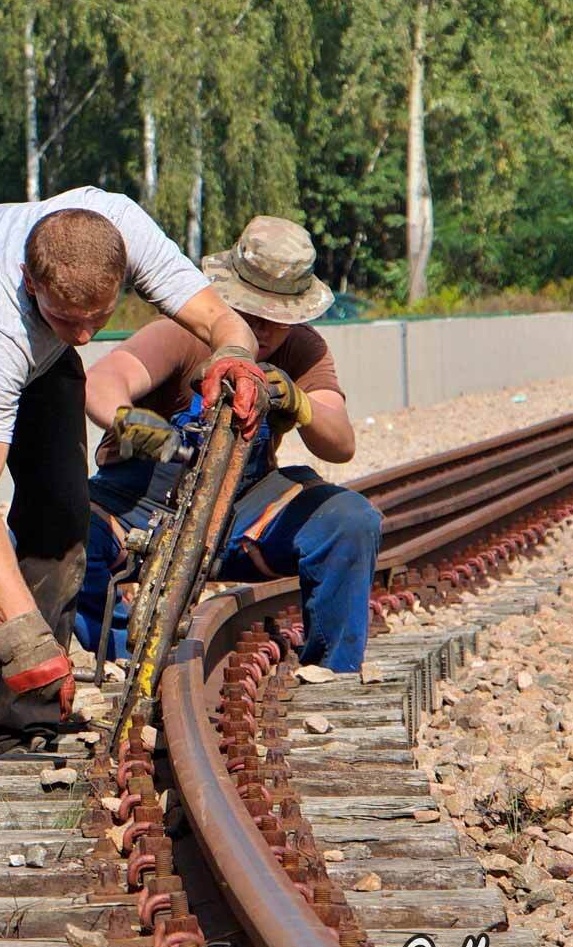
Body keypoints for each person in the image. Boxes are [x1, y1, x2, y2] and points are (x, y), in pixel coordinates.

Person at [0, 188, 266, 757]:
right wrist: (24, 637)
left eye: (100, 318)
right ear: (29, 281)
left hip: (32, 341)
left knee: (63, 518)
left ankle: (25, 722)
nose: (86, 337)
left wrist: (233, 355)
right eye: (70, 318)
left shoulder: (119, 231)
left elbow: (220, 319)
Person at [73, 217, 381, 673]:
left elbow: (340, 443)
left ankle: (330, 670)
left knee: (351, 521)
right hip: (141, 503)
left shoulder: (304, 350)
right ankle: (119, 657)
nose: (261, 327)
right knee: (64, 526)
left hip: (244, 510)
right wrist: (126, 420)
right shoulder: (184, 332)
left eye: (274, 319)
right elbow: (103, 378)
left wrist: (301, 404)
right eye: (251, 313)